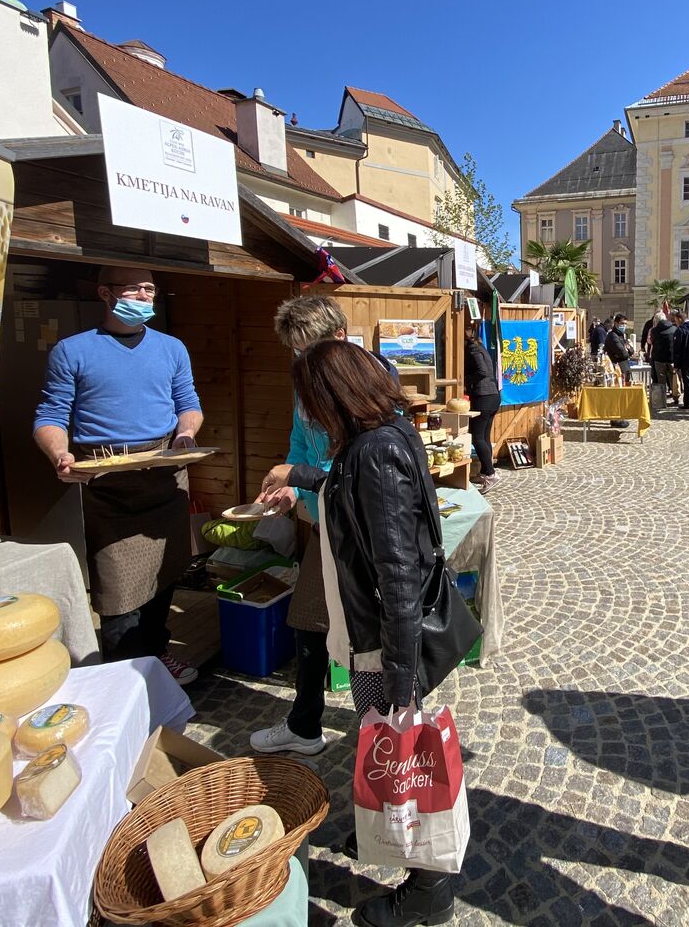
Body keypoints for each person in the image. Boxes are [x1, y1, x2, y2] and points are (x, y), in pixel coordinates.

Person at [289, 341, 459, 927]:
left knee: (402, 747)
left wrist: (398, 674)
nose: (308, 413)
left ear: (334, 396)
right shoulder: (383, 434)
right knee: (386, 742)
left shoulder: (374, 451)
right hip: (379, 634)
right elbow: (352, 495)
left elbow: (398, 572)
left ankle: (428, 890)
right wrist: (301, 476)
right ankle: (384, 832)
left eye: (311, 401)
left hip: (382, 640)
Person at [33, 266, 203, 684]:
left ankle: (157, 654)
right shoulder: (73, 350)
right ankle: (124, 678)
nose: (145, 296)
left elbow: (189, 403)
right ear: (106, 293)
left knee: (165, 572)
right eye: (135, 289)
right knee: (116, 589)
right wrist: (60, 454)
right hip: (107, 479)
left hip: (165, 471)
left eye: (150, 289)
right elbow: (50, 416)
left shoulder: (172, 348)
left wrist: (185, 434)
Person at [248, 297, 399, 756]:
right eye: (295, 352)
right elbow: (300, 443)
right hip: (324, 522)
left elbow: (366, 473)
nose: (302, 361)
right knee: (310, 623)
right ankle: (307, 724)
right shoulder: (305, 383)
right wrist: (292, 486)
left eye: (308, 349)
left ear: (338, 339)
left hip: (360, 531)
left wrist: (303, 482)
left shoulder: (369, 379)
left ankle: (389, 739)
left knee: (365, 636)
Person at [463, 318, 503, 492]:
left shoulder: (473, 349)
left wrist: (465, 381)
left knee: (477, 437)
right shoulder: (481, 347)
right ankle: (486, 470)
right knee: (484, 436)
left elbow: (482, 371)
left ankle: (491, 474)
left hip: (484, 396)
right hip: (492, 395)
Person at [649, 311, 680, 407]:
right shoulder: (674, 328)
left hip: (659, 358)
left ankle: (662, 400)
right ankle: (676, 398)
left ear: (656, 320)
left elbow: (651, 342)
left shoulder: (654, 331)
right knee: (673, 379)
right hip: (671, 358)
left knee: (661, 380)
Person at [603, 313, 634, 385]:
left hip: (625, 369)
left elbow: (631, 350)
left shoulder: (621, 335)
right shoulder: (613, 336)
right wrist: (626, 349)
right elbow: (624, 354)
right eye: (622, 323)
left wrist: (628, 349)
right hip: (617, 370)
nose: (624, 326)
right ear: (616, 323)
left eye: (625, 324)